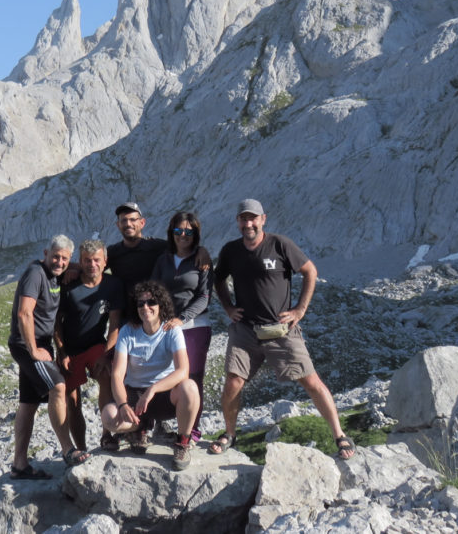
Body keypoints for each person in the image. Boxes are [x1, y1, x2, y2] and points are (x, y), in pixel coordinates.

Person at [209, 199, 355, 460]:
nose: (248, 223)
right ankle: (230, 434)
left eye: (253, 218)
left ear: (263, 219)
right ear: (238, 221)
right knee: (233, 382)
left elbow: (310, 271)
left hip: (281, 330)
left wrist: (300, 309)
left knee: (311, 381)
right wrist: (228, 308)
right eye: (244, 219)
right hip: (245, 330)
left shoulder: (279, 244)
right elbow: (218, 278)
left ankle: (339, 435)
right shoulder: (231, 250)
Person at [7, 235, 90, 479]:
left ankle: (19, 465)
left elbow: (69, 266)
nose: (60, 262)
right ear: (45, 253)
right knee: (58, 386)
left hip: (37, 344)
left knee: (28, 403)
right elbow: (24, 313)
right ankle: (67, 449)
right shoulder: (36, 274)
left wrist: (73, 266)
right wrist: (33, 350)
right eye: (55, 256)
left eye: (65, 258)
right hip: (27, 344)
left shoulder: (55, 273)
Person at [100, 280, 200, 471]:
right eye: (140, 303)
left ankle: (183, 442)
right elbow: (117, 374)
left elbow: (182, 370)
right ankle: (138, 429)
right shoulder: (128, 331)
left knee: (190, 387)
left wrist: (153, 389)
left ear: (161, 304)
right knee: (109, 416)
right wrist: (122, 404)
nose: (145, 307)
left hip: (164, 395)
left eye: (151, 302)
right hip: (134, 395)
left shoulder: (172, 330)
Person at [54, 239, 125, 453]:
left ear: (105, 261)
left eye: (96, 260)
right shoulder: (68, 286)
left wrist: (107, 353)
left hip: (95, 344)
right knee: (73, 401)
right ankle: (81, 449)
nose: (92, 264)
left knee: (106, 376)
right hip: (70, 349)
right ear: (80, 262)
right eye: (87, 260)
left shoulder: (113, 285)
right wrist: (61, 351)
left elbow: (114, 324)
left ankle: (107, 434)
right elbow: (56, 322)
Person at [150, 210, 213, 444]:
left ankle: (191, 431)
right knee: (163, 375)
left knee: (193, 377)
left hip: (194, 326)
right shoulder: (163, 259)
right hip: (164, 327)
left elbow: (205, 297)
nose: (183, 235)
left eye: (189, 231)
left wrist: (182, 318)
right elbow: (154, 289)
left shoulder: (202, 259)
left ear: (195, 234)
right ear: (172, 232)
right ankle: (159, 424)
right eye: (179, 230)